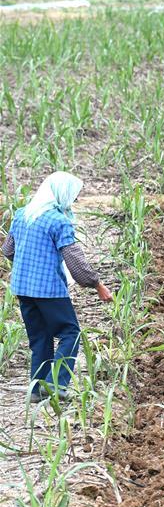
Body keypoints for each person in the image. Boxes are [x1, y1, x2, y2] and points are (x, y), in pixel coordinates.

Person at [1, 172, 113, 403]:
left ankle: (36, 388)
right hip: (49, 290)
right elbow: (75, 261)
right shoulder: (59, 221)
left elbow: (8, 251)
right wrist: (97, 284)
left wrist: (29, 265)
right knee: (70, 333)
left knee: (40, 338)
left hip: (22, 288)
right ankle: (56, 385)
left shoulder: (22, 215)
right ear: (61, 194)